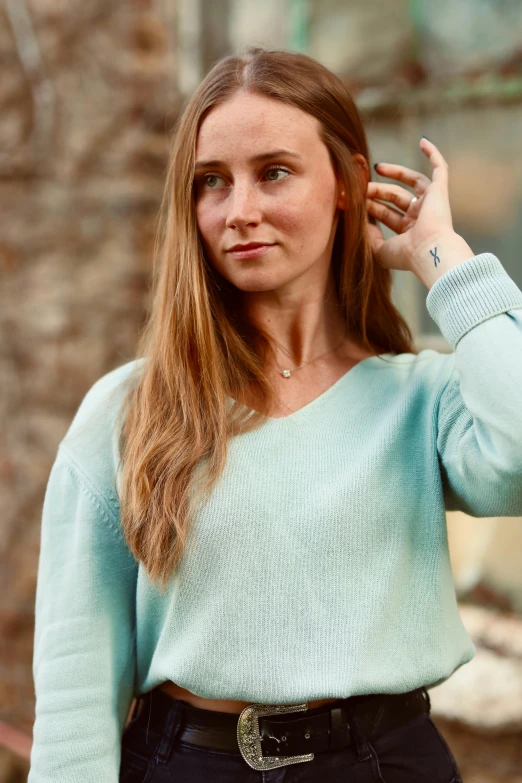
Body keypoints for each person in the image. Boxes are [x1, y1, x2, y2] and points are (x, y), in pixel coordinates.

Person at [27, 46, 522, 783]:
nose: (240, 212)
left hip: (387, 764)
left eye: (275, 172)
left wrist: (444, 259)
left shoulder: (421, 397)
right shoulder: (131, 409)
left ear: (349, 184)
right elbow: (75, 681)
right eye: (211, 183)